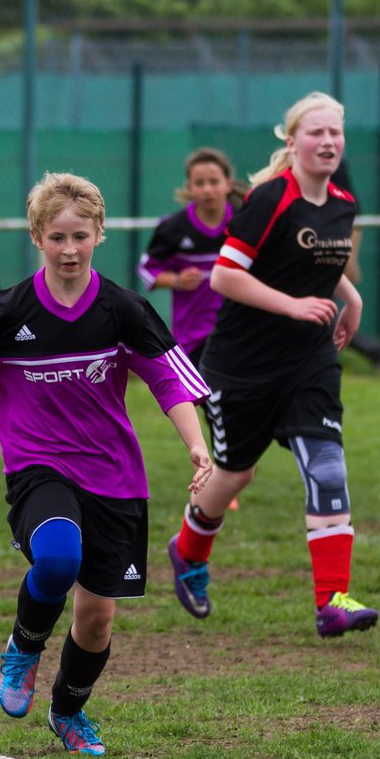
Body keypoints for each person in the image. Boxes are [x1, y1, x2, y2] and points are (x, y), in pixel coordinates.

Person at [0, 172, 212, 755]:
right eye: (57, 237)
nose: (69, 249)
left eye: (81, 237)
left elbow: (169, 376)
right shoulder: (7, 310)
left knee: (96, 620)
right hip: (39, 467)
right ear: (37, 236)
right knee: (59, 558)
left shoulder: (122, 309)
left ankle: (68, 712)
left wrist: (195, 444)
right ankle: (24, 646)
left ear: (98, 236)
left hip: (115, 476)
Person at [166, 91, 380, 639]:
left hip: (309, 359)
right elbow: (224, 275)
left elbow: (315, 264)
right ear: (292, 141)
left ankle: (332, 601)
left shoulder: (342, 202)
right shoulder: (269, 198)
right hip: (242, 366)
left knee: (327, 465)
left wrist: (348, 300)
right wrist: (292, 305)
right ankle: (188, 551)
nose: (328, 141)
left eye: (336, 133)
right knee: (236, 472)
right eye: (317, 133)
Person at [137, 146, 246, 509]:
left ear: (227, 184)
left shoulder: (245, 219)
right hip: (193, 335)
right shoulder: (173, 228)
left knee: (230, 402)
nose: (207, 188)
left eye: (214, 181)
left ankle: (228, 473)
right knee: (213, 402)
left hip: (239, 330)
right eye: (199, 183)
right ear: (190, 188)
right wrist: (173, 279)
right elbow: (146, 268)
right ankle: (224, 474)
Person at [332, 161, 380, 375]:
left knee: (316, 313)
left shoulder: (331, 161)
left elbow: (352, 209)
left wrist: (350, 254)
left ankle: (378, 352)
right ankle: (377, 352)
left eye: (334, 132)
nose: (326, 139)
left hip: (330, 242)